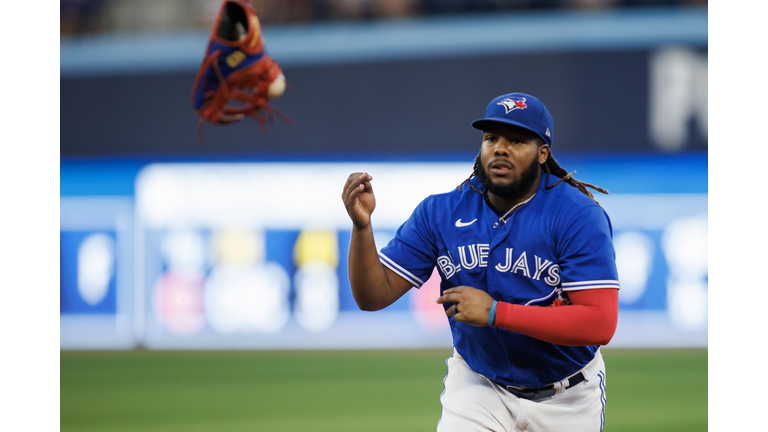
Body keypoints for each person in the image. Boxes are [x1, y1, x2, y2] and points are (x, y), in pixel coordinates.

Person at [341, 92, 619, 432]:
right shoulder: (442, 212)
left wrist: (495, 313)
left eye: (517, 140)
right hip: (479, 386)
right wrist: (362, 227)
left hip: (567, 396)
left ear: (542, 153)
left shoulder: (577, 215)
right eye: (491, 138)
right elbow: (373, 295)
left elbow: (600, 322)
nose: (500, 148)